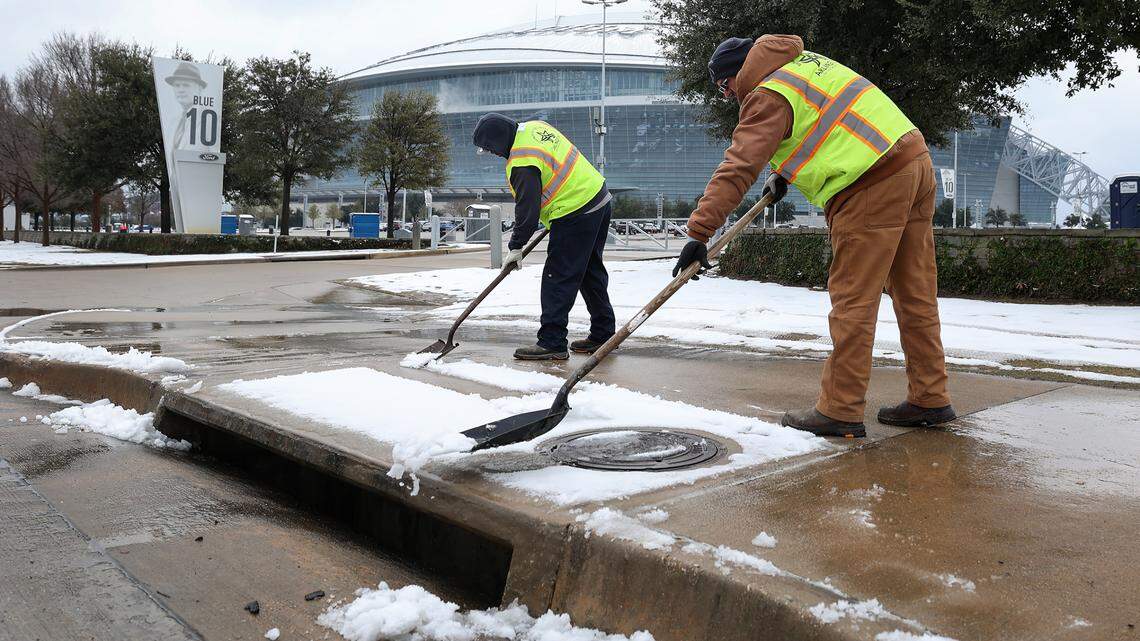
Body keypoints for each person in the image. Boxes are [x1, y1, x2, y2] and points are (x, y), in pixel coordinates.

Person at [673, 35, 955, 437]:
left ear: (736, 74)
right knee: (916, 295)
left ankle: (840, 409)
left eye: (724, 86)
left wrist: (699, 232)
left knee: (853, 301)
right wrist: (784, 172)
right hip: (914, 163)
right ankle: (930, 397)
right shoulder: (803, 66)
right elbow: (828, 126)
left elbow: (739, 165)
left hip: (869, 184)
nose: (727, 95)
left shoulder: (766, 93)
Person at [473, 113, 616, 361]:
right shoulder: (534, 128)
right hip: (598, 197)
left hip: (575, 210)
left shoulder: (521, 162)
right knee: (589, 271)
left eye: (490, 148)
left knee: (557, 277)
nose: (493, 154)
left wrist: (516, 246)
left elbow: (528, 211)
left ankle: (552, 342)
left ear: (498, 141)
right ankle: (603, 334)